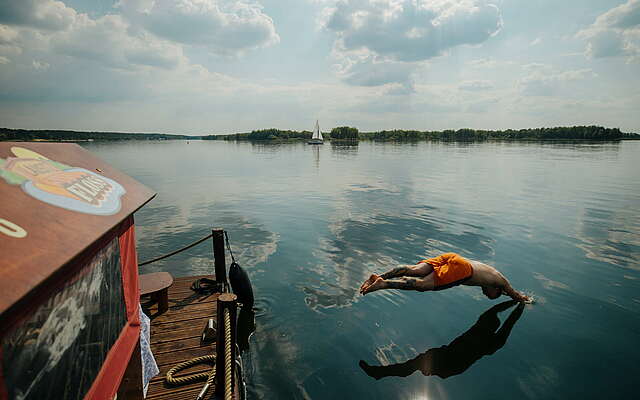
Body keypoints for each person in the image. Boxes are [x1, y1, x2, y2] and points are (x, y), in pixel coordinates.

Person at [359, 300, 524, 380]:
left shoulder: (490, 339)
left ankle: (379, 373)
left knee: (413, 366)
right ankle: (378, 373)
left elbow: (508, 320)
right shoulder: (484, 330)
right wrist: (517, 301)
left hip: (451, 363)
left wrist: (518, 302)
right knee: (412, 366)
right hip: (448, 361)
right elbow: (504, 317)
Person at [359, 252, 531, 302]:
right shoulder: (501, 282)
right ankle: (383, 284)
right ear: (496, 289)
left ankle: (378, 275)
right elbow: (514, 293)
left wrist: (509, 295)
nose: (485, 295)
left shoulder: (493, 274)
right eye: (491, 296)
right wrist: (524, 299)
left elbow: (507, 293)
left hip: (453, 257)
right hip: (463, 269)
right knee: (421, 285)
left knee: (414, 269)